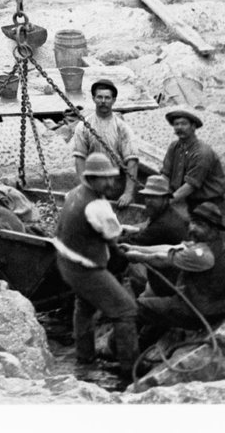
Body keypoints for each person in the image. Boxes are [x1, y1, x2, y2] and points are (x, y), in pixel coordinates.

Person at [54, 152, 139, 385]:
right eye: (105, 178)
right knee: (126, 310)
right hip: (85, 268)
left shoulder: (74, 193)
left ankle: (85, 359)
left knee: (84, 306)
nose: (111, 183)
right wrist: (127, 245)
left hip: (66, 261)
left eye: (112, 177)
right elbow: (113, 237)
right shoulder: (97, 205)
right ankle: (130, 373)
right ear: (91, 178)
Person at [129, 214, 225, 361]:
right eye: (192, 223)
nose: (193, 228)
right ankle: (143, 349)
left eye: (200, 225)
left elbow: (161, 259)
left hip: (199, 312)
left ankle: (123, 357)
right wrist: (134, 248)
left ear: (214, 230)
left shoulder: (202, 254)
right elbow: (171, 249)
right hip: (214, 307)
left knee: (133, 309)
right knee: (158, 308)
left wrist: (137, 257)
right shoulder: (213, 245)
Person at [69, 79, 144, 204]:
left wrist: (128, 193)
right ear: (93, 98)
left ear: (113, 100)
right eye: (99, 97)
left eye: (107, 98)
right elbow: (80, 159)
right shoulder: (83, 126)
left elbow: (132, 160)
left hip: (116, 184)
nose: (103, 101)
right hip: (94, 183)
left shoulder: (122, 128)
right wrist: (86, 189)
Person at [161, 108, 225, 223]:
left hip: (212, 203)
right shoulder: (174, 147)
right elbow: (165, 174)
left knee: (219, 231)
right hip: (191, 202)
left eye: (184, 124)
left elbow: (191, 185)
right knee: (193, 230)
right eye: (176, 124)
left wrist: (167, 201)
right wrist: (159, 193)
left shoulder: (202, 152)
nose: (179, 127)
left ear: (193, 127)